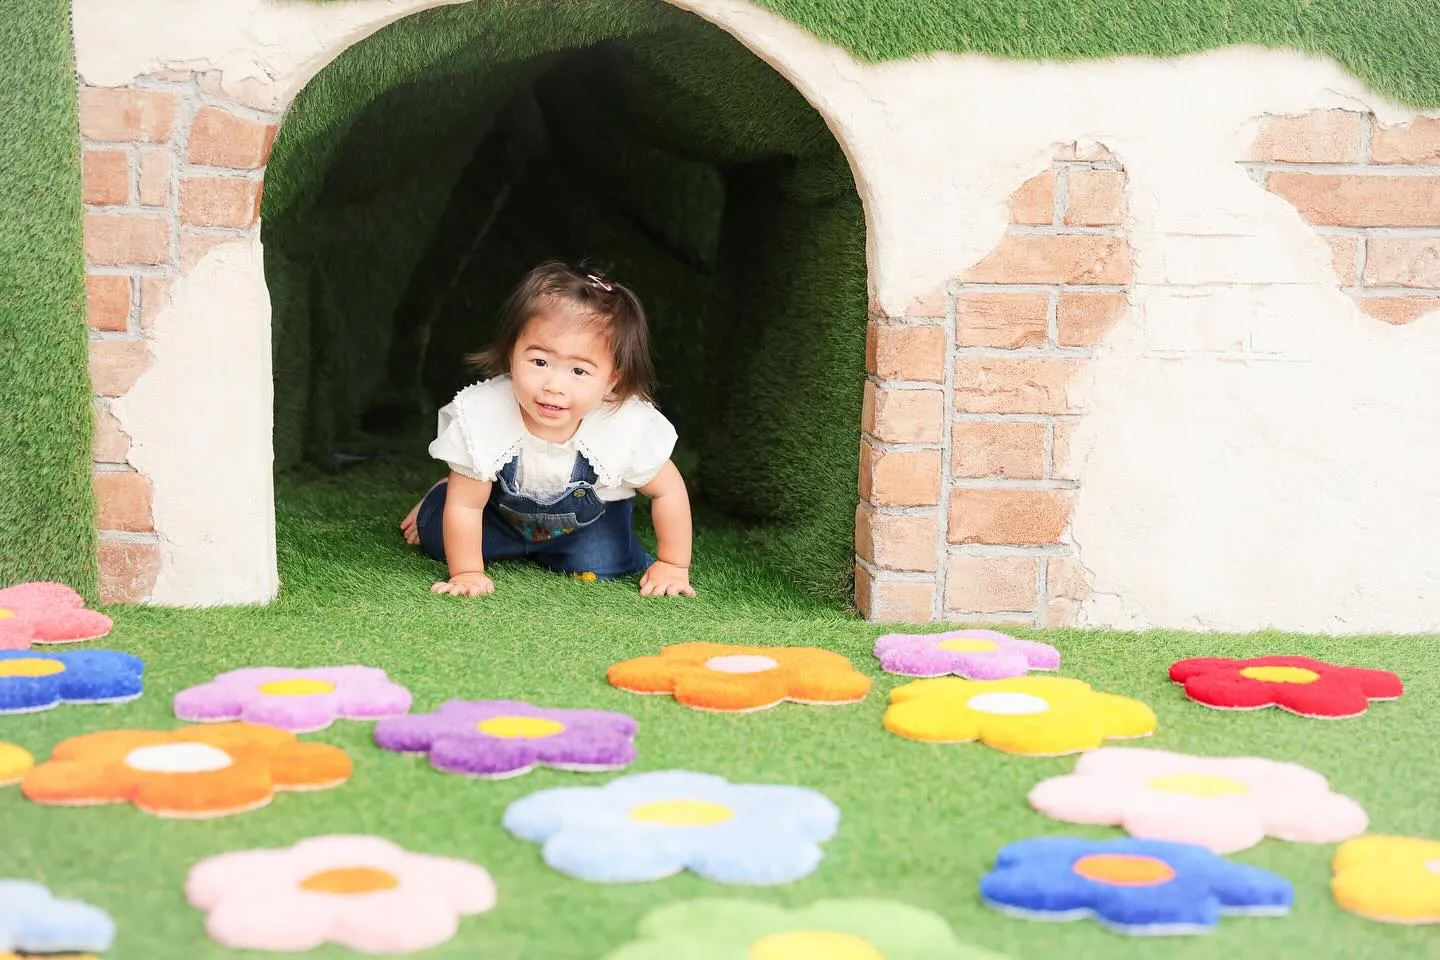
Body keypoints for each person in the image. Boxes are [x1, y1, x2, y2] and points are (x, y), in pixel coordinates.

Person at [399, 260, 695, 598]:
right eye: (539, 362)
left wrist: (673, 564)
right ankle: (452, 483)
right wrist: (467, 573)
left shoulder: (621, 426)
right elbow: (467, 507)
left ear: (612, 379)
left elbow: (668, 490)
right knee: (441, 535)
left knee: (605, 564)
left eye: (579, 371)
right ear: (512, 354)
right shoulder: (487, 414)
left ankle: (564, 548)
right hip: (499, 513)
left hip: (584, 526)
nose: (554, 385)